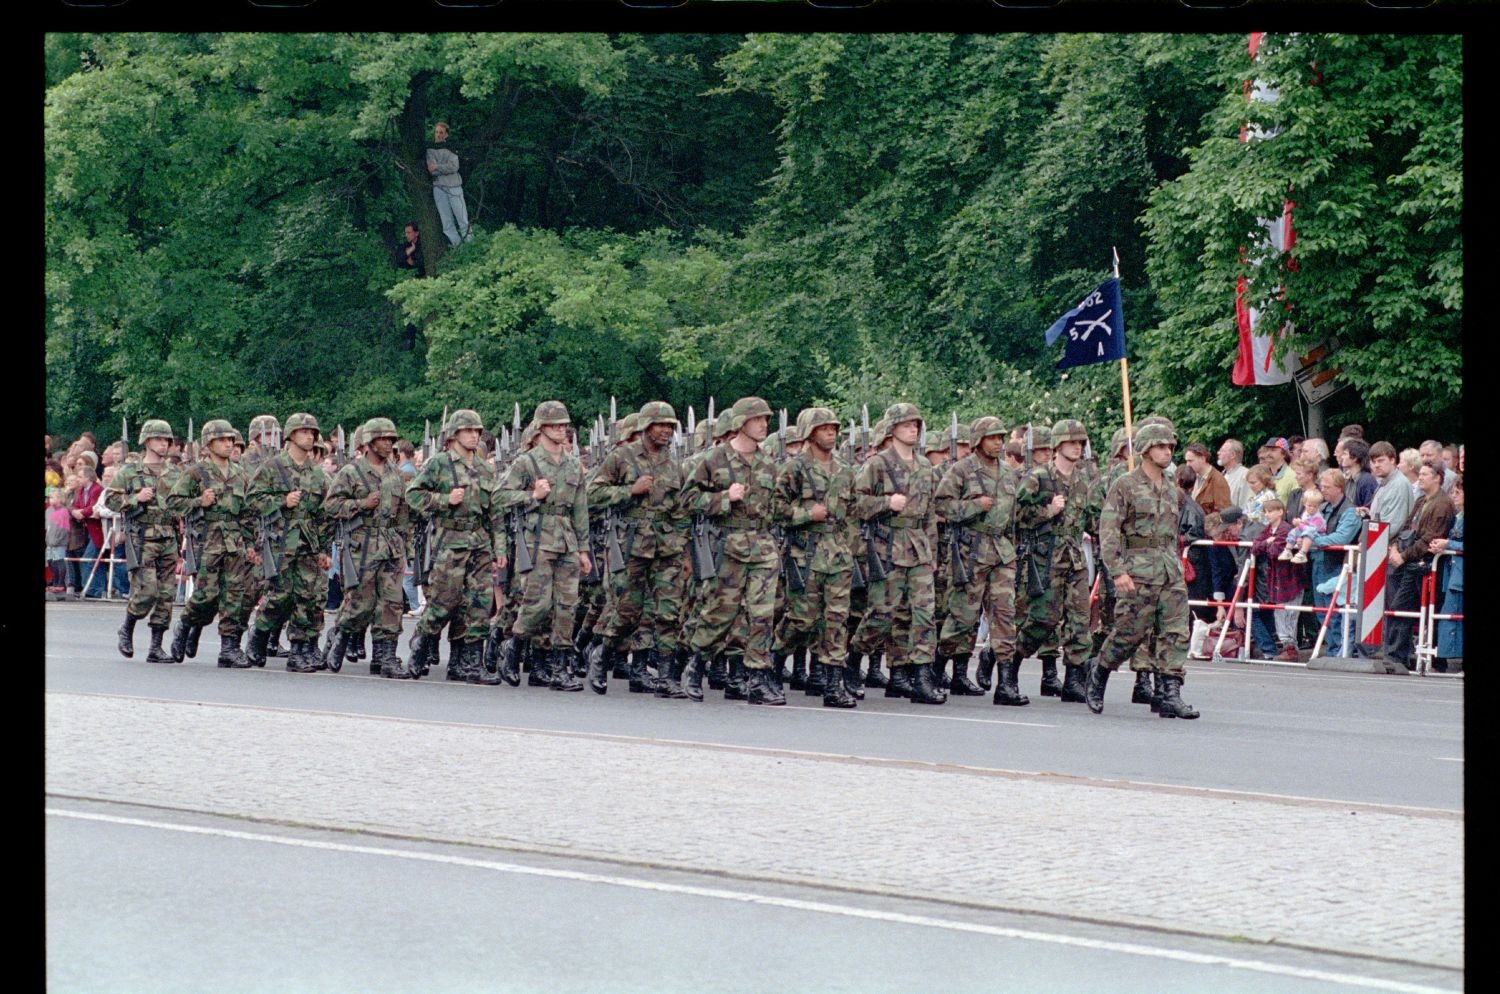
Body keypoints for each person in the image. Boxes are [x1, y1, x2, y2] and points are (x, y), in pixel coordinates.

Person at [1085, 422, 1198, 719]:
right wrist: (1117, 571)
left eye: (1170, 447)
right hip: (1138, 568)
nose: (1167, 451)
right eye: (1161, 446)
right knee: (1129, 633)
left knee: (1175, 631)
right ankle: (1099, 671)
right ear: (1146, 450)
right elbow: (1108, 531)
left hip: (1169, 569)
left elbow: (1173, 532)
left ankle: (1169, 693)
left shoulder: (1172, 489)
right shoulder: (1125, 485)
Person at [681, 396, 785, 705]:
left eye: (766, 419)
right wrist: (724, 497)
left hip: (763, 546)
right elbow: (688, 500)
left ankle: (756, 677)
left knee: (763, 615)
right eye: (757, 420)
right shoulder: (715, 460)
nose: (764, 424)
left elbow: (775, 507)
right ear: (741, 423)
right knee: (720, 614)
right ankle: (695, 664)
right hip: (728, 546)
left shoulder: (768, 462)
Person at [406, 409, 511, 682]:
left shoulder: (486, 467)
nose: (474, 435)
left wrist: (499, 549)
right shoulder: (439, 463)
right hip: (449, 542)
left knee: (478, 604)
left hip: (479, 543)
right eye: (468, 431)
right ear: (454, 435)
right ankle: (421, 643)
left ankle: (469, 663)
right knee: (444, 602)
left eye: (477, 431)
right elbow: (413, 496)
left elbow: (495, 514)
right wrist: (444, 500)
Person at [497, 402, 593, 690]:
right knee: (537, 604)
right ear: (541, 428)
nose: (561, 430)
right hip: (537, 538)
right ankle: (514, 648)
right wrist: (531, 496)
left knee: (566, 606)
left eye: (564, 425)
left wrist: (584, 549)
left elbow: (580, 509)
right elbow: (500, 497)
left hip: (567, 539)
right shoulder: (527, 462)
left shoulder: (573, 463)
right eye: (555, 425)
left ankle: (557, 668)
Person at [853, 403, 944, 705]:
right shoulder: (877, 464)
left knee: (924, 614)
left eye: (916, 424)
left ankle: (921, 677)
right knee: (882, 614)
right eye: (906, 424)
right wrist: (885, 503)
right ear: (892, 429)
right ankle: (853, 662)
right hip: (887, 546)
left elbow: (929, 513)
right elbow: (855, 505)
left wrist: (932, 553)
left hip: (917, 546)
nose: (913, 428)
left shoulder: (925, 467)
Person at [773, 407, 860, 708]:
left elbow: (853, 514)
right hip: (805, 553)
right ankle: (773, 662)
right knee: (802, 619)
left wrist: (850, 547)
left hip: (837, 555)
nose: (831, 433)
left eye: (834, 428)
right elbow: (775, 510)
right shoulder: (794, 469)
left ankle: (832, 686)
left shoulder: (845, 470)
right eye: (825, 428)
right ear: (810, 433)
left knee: (837, 619)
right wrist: (806, 514)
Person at [933, 416, 1022, 703]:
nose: (998, 442)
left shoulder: (1009, 474)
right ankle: (939, 671)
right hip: (971, 551)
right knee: (962, 616)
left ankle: (1006, 684)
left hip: (1002, 551)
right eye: (992, 437)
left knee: (1005, 616)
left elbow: (1014, 516)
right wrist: (974, 506)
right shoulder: (962, 470)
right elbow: (941, 505)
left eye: (1001, 437)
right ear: (978, 441)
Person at [1013, 418, 1100, 704]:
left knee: (1079, 620)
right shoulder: (1038, 477)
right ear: (1058, 445)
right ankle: (1009, 662)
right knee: (1043, 619)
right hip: (1044, 557)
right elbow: (1016, 518)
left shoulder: (1084, 481)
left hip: (1073, 558)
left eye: (1080, 443)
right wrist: (1047, 512)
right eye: (1071, 442)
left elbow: (1093, 519)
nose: (1076, 447)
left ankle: (1074, 680)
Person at [324, 418, 415, 679]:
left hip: (390, 544)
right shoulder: (352, 472)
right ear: (370, 442)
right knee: (360, 602)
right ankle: (339, 636)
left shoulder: (396, 474)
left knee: (392, 603)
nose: (388, 444)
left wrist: (405, 547)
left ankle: (385, 656)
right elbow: (331, 506)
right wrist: (361, 504)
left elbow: (403, 515)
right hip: (361, 543)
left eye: (391, 439)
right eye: (383, 439)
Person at [166, 420, 259, 667]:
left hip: (234, 540)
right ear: (208, 444)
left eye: (231, 440)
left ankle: (228, 648)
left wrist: (251, 544)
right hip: (208, 539)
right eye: (223, 440)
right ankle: (186, 624)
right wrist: (198, 502)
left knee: (234, 595)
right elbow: (173, 502)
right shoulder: (197, 473)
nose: (229, 444)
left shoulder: (240, 473)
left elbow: (248, 513)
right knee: (207, 595)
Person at [245, 413, 333, 672]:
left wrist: (324, 548)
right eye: (304, 431)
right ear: (291, 435)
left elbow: (324, 515)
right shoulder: (273, 467)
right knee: (280, 597)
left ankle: (298, 651)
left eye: (313, 432)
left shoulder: (317, 475)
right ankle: (259, 634)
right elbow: (252, 500)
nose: (310, 436)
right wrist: (281, 502)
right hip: (280, 542)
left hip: (307, 544)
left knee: (306, 597)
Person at [104, 419, 182, 663]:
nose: (164, 443)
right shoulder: (130, 471)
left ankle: (156, 647)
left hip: (169, 537)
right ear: (147, 441)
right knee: (147, 590)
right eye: (159, 439)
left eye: (167, 440)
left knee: (166, 594)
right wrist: (135, 497)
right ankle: (127, 626)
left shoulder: (175, 472)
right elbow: (110, 500)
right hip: (143, 537)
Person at [1377, 463, 1455, 671]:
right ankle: (1398, 655)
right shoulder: (1422, 500)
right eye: (1419, 473)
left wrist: (1402, 556)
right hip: (1411, 562)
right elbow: (1406, 527)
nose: (1419, 477)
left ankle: (1405, 657)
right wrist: (1395, 548)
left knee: (1417, 610)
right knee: (1401, 608)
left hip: (1424, 565)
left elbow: (1430, 537)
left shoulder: (1442, 504)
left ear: (1438, 477)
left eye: (1425, 474)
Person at [1306, 468, 1360, 657]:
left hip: (1336, 565)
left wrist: (1313, 541)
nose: (1323, 490)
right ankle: (1332, 647)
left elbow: (1342, 538)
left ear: (1339, 487)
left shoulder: (1350, 511)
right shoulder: (1323, 508)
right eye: (1321, 486)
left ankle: (1338, 649)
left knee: (1334, 610)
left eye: (1327, 486)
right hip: (1318, 563)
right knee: (1322, 611)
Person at [1249, 500, 1303, 661]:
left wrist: (1265, 545)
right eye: (1265, 511)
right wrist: (1267, 542)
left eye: (1270, 511)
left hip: (1288, 577)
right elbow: (1254, 547)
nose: (1267, 514)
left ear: (1280, 511)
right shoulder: (1268, 530)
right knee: (1280, 613)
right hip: (1276, 579)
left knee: (1288, 613)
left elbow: (1274, 552)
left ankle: (1290, 648)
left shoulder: (1285, 529)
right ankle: (1288, 646)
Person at [1431, 474, 1463, 672]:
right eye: (1452, 492)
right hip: (1452, 575)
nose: (1454, 496)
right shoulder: (1458, 517)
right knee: (1449, 618)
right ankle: (1447, 658)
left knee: (1454, 619)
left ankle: (1452, 660)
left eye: (1458, 492)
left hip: (1459, 576)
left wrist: (1448, 544)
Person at [426, 121, 472, 247]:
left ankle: (470, 246)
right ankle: (458, 247)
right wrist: (440, 168)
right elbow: (431, 171)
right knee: (446, 222)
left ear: (446, 135)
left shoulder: (451, 147)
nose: (438, 135)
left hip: (454, 186)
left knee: (462, 219)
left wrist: (438, 166)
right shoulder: (430, 150)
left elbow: (454, 167)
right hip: (439, 188)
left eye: (441, 132)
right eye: (436, 132)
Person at [1367, 441, 1413, 532]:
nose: (1376, 465)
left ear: (1392, 460)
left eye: (1380, 460)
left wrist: (1369, 541)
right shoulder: (1384, 482)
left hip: (1388, 543)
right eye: (1374, 461)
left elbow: (1393, 524)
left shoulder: (1399, 485)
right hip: (1380, 540)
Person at [1279, 490, 1326, 564]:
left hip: (1318, 535)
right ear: (1304, 504)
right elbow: (1304, 525)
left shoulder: (1318, 518)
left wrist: (1300, 524)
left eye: (1315, 506)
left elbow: (1312, 529)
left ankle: (1302, 553)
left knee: (1308, 533)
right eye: (1309, 505)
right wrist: (1299, 523)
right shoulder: (1305, 513)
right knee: (1293, 531)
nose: (1312, 508)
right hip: (1306, 533)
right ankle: (1288, 550)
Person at [1183, 442, 1231, 515]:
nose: (1187, 464)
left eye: (1190, 461)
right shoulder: (1192, 477)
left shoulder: (1218, 480)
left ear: (1202, 459)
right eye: (1186, 461)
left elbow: (1223, 512)